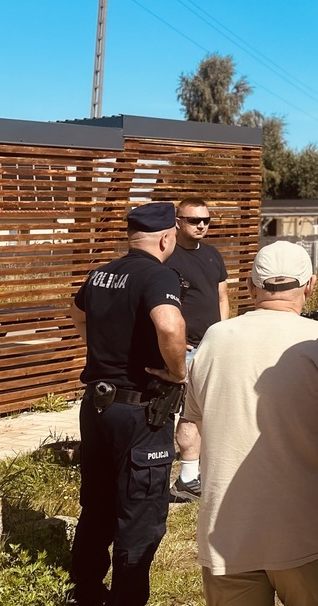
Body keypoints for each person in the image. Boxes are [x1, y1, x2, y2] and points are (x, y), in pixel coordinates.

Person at [186, 241, 318, 606]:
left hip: (228, 533)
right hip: (307, 530)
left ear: (250, 287)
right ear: (310, 285)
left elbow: (193, 424)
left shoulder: (214, 339)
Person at [68, 201, 188, 606]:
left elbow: (76, 313)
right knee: (139, 515)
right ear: (167, 237)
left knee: (97, 504)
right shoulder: (158, 274)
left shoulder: (101, 274)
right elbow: (169, 325)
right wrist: (177, 372)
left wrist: (105, 349)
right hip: (139, 411)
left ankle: (86, 591)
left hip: (97, 407)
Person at [164, 196, 229, 502]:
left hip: (214, 346)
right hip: (185, 349)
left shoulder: (213, 255)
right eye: (194, 220)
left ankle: (200, 471)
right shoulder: (167, 257)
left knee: (209, 412)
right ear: (178, 222)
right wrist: (177, 343)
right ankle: (187, 479)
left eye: (206, 220)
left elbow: (222, 297)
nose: (201, 225)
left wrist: (223, 335)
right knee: (188, 412)